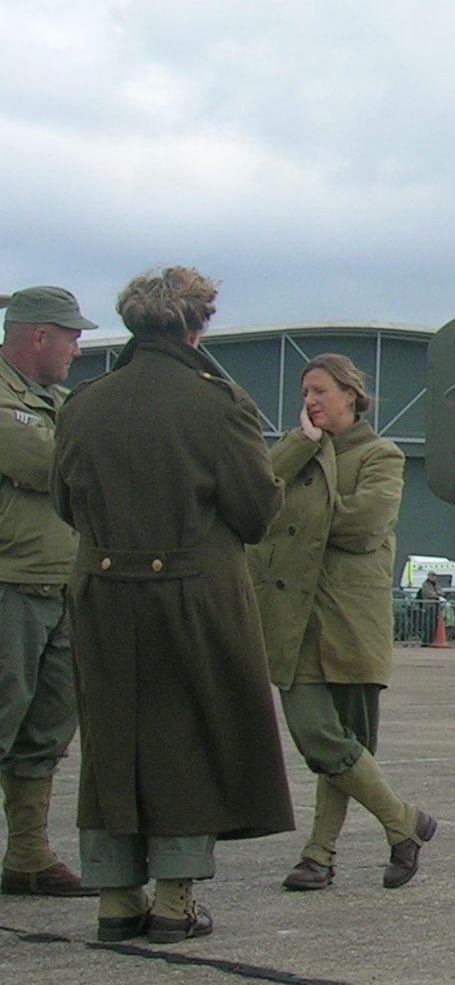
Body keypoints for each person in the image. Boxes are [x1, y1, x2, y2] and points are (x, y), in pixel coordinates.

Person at [52, 266, 294, 942]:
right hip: (193, 594)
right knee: (186, 734)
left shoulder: (84, 402)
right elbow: (255, 512)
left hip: (100, 592)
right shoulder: (216, 403)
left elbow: (65, 503)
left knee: (111, 739)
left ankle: (116, 898)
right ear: (197, 325)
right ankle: (174, 899)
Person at [250, 354, 437, 891]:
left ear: (352, 396)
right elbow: (256, 496)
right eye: (304, 392)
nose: (309, 402)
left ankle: (318, 855)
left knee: (348, 742)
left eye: (320, 391)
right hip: (294, 620)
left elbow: (363, 523)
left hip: (350, 619)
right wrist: (296, 447)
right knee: (319, 736)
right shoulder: (299, 453)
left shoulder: (383, 456)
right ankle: (405, 823)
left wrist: (295, 517)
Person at [0, 286, 98, 899]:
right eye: (72, 336)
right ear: (39, 335)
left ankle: (28, 853)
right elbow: (48, 466)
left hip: (62, 583)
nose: (77, 349)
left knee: (48, 729)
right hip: (9, 583)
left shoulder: (58, 400)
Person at [415, 569, 443, 646]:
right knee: (429, 624)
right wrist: (437, 594)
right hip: (429, 606)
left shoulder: (436, 584)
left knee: (435, 624)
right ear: (429, 576)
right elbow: (428, 593)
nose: (434, 577)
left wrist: (436, 593)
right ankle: (426, 641)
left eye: (435, 576)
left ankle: (432, 640)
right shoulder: (425, 584)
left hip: (436, 606)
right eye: (432, 575)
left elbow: (442, 591)